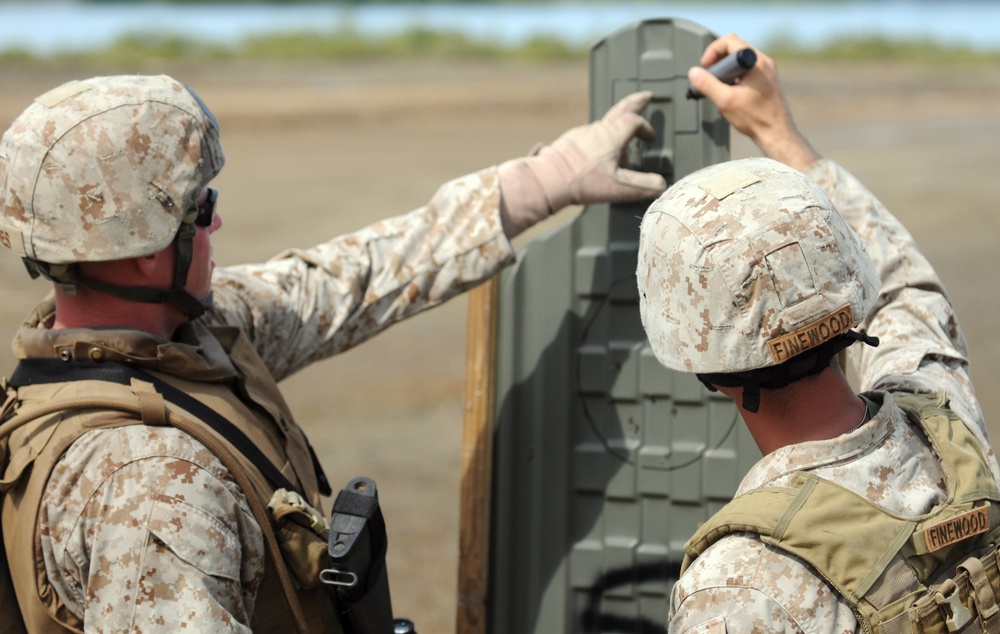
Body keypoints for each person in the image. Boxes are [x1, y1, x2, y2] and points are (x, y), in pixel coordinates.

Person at [0, 74, 667, 632]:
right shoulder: (150, 486)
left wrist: (547, 180)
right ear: (149, 252)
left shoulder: (181, 338)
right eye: (203, 209)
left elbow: (349, 280)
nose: (219, 223)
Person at [638, 35, 1000, 632]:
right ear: (851, 291)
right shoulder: (947, 422)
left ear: (693, 355)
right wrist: (781, 134)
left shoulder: (737, 586)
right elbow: (908, 290)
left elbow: (906, 291)